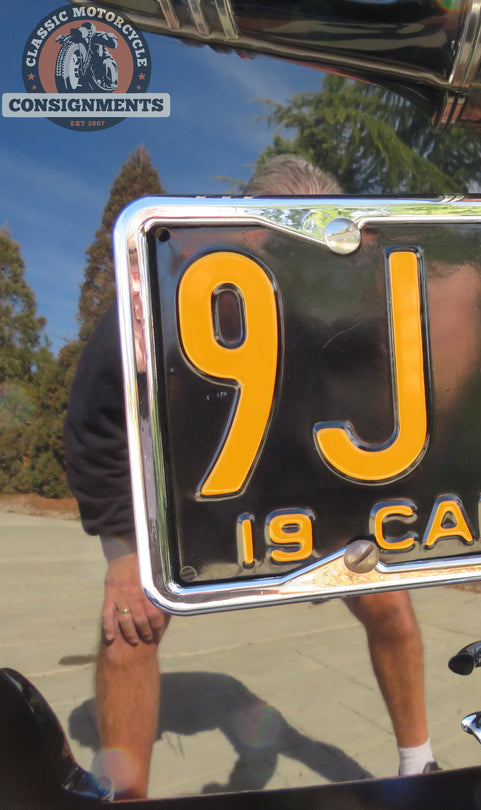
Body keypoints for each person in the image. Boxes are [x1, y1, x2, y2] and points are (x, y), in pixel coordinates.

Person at [63, 155, 437, 800]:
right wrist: (123, 554)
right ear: (243, 233)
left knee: (389, 601)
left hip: (308, 488)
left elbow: (385, 410)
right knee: (129, 625)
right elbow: (95, 422)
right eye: (280, 244)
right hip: (191, 495)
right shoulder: (163, 295)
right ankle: (127, 795)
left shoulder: (344, 310)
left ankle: (419, 762)